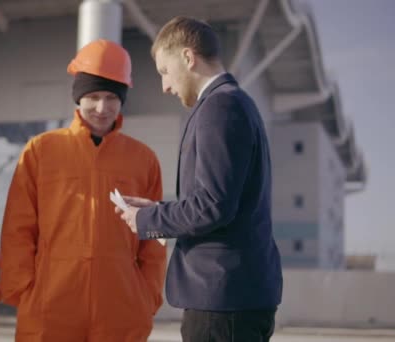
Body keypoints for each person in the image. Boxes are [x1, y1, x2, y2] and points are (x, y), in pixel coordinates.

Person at [118, 16, 283, 341]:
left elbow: (212, 206)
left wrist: (147, 219)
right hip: (235, 297)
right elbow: (219, 200)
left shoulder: (219, 108)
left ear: (188, 58)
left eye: (165, 72)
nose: (164, 86)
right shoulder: (237, 103)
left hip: (222, 302)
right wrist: (157, 209)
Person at [0, 39, 167, 342]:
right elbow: (18, 229)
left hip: (121, 309)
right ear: (78, 97)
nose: (102, 108)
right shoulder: (42, 150)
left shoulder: (143, 159)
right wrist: (25, 292)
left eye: (111, 97)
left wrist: (147, 295)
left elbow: (153, 240)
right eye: (93, 96)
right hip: (51, 307)